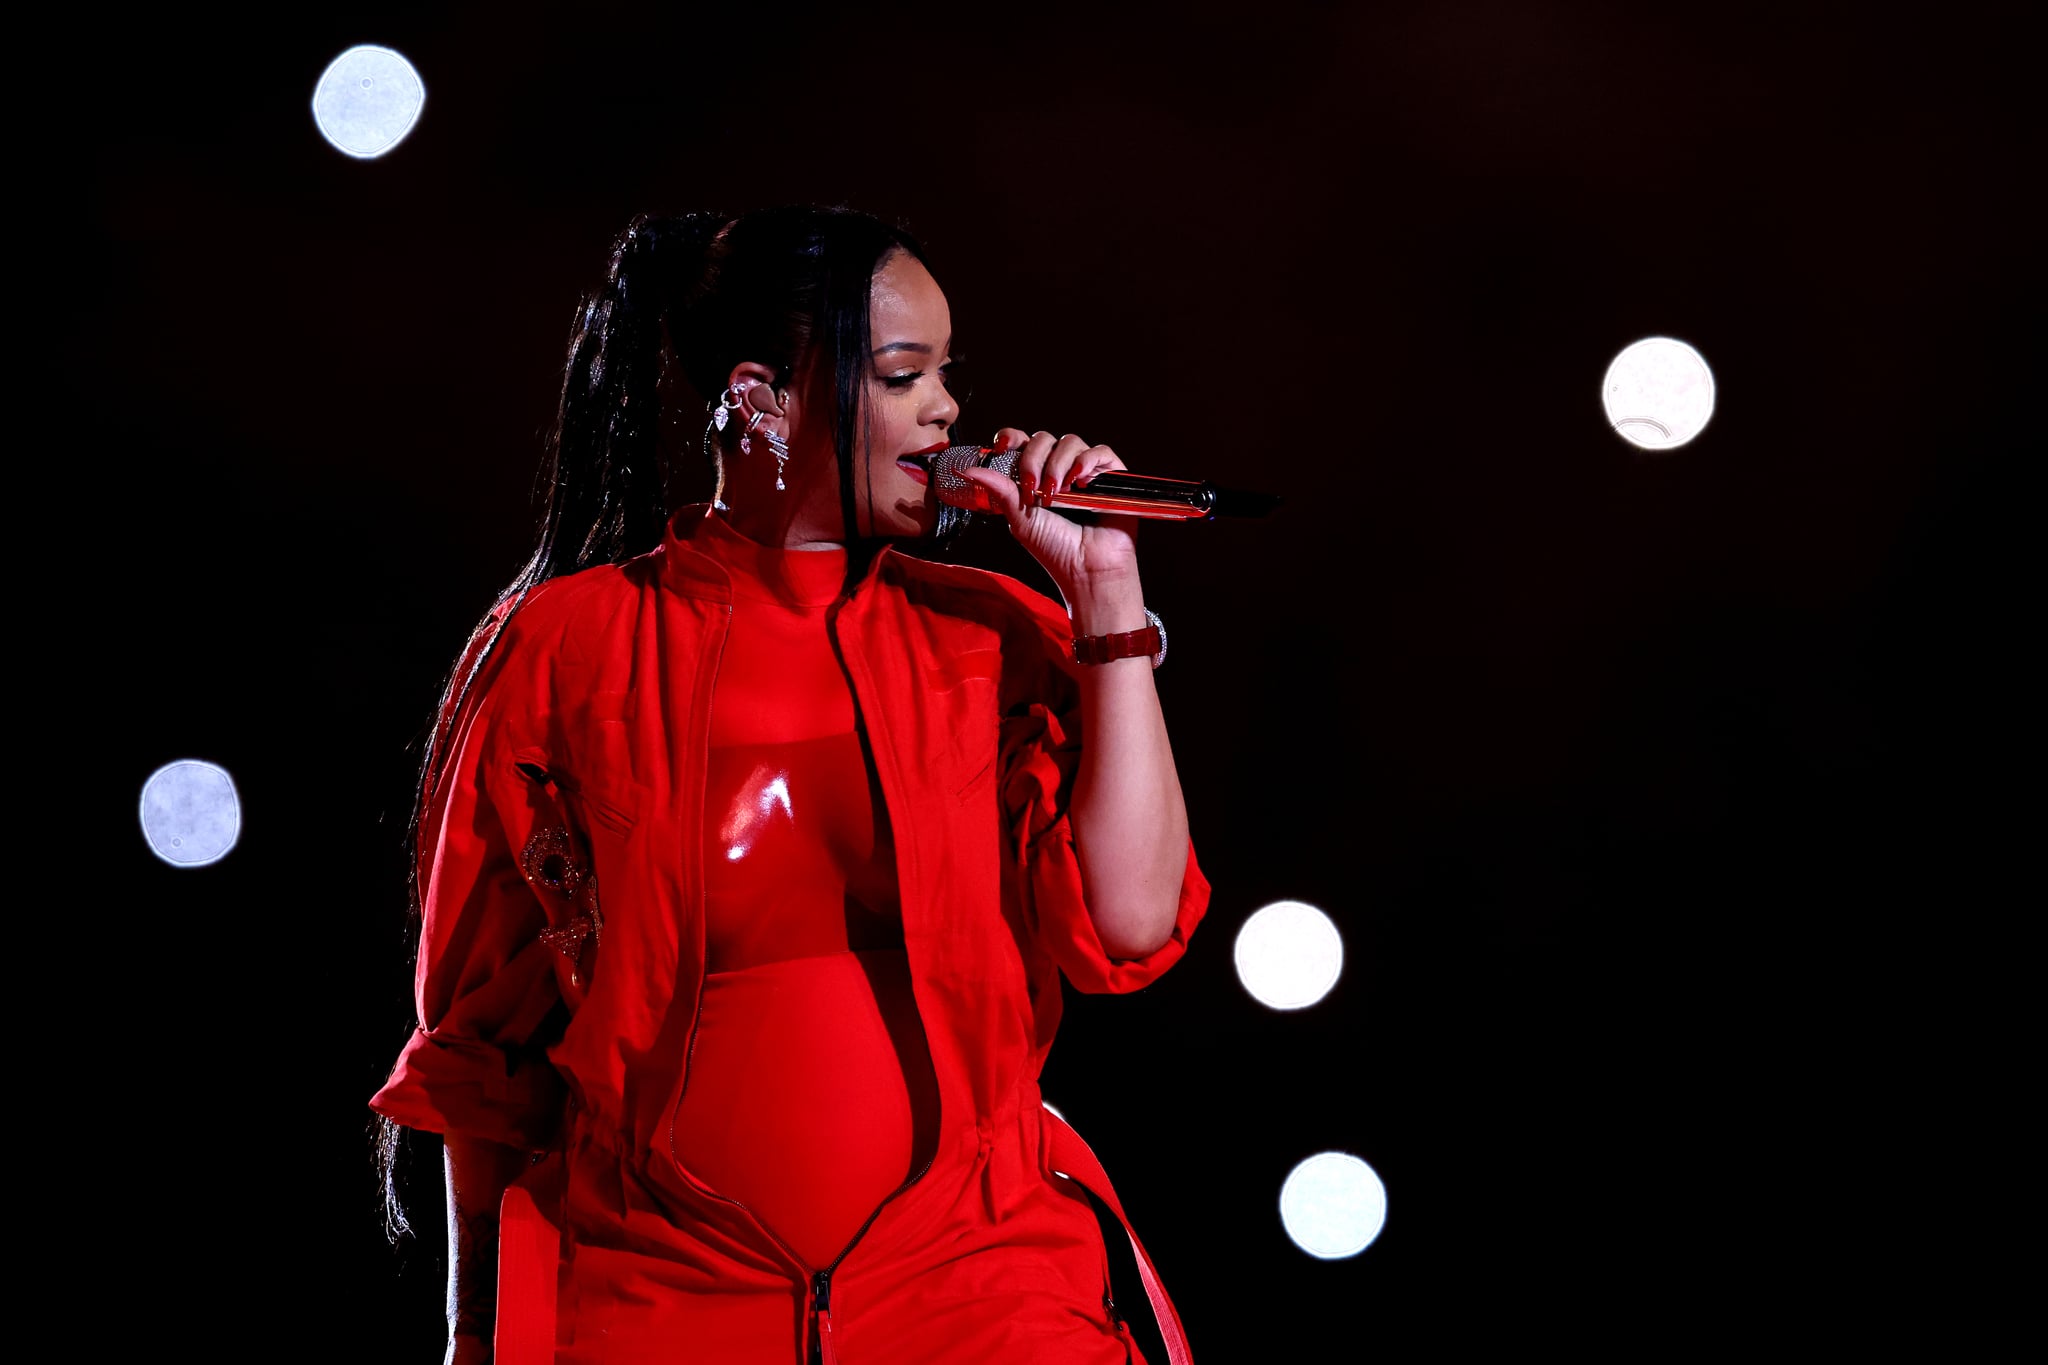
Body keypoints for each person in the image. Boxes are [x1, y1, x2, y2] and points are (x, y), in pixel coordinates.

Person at [370, 204, 1210, 1365]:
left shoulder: (995, 640)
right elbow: (478, 1052)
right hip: (656, 1296)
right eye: (905, 373)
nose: (948, 409)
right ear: (760, 397)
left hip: (983, 1292)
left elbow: (1128, 922)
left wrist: (1106, 601)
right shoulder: (566, 650)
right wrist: (471, 1334)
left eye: (945, 375)